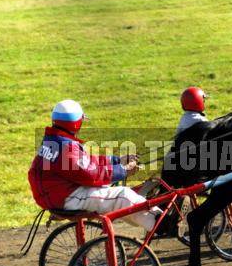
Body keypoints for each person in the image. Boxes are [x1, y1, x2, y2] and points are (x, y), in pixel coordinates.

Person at [28, 99, 163, 232]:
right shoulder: (66, 146)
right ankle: (162, 222)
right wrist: (123, 170)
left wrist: (116, 161)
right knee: (123, 195)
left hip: (56, 195)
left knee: (118, 196)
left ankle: (154, 220)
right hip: (66, 198)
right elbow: (90, 175)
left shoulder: (53, 140)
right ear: (77, 124)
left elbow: (86, 163)